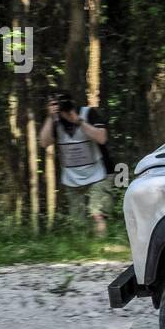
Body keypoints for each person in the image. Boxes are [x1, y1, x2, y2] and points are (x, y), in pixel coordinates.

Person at [39, 90, 113, 235]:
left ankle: (102, 248)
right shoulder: (55, 122)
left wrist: (77, 120)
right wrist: (50, 117)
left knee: (97, 214)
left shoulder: (88, 113)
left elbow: (102, 138)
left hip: (97, 174)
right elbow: (44, 142)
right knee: (77, 223)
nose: (60, 107)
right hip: (72, 178)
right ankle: (82, 250)